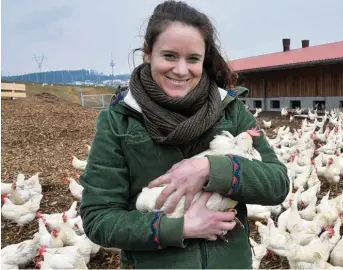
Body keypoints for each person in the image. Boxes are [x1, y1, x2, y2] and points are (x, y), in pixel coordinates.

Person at [79, 1, 289, 269]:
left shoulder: (231, 111)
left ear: (204, 59)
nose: (180, 70)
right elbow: (99, 219)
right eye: (169, 56)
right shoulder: (118, 122)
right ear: (148, 53)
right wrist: (179, 228)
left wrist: (211, 168)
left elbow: (278, 185)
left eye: (193, 59)